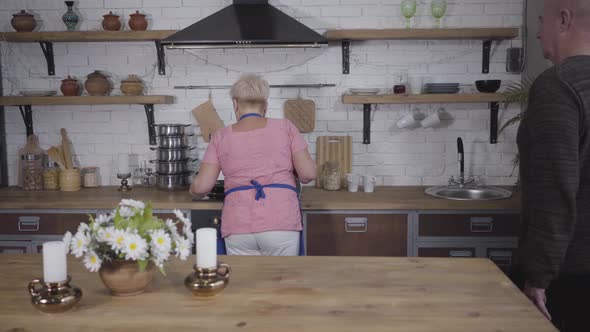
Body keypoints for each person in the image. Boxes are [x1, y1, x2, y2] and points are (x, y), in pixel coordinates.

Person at [517, 0, 590, 330]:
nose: (536, 32)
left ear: (563, 20)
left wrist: (538, 276)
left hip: (572, 274)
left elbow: (556, 187)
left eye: (541, 20)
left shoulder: (558, 85)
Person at [190, 74, 317, 256]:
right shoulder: (285, 127)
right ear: (265, 105)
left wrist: (191, 190)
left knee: (244, 283)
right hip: (280, 221)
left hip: (238, 225)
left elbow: (202, 187)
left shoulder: (221, 136)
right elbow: (308, 174)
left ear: (235, 104)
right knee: (282, 281)